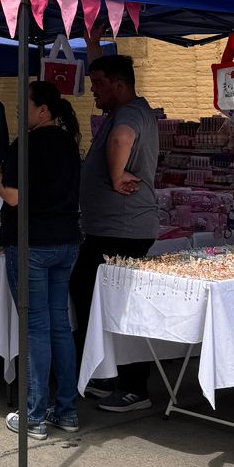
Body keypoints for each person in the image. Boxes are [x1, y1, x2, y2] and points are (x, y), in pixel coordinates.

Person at [0, 80, 83, 440]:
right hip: (66, 241)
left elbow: (13, 197)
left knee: (37, 328)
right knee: (58, 325)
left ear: (44, 110)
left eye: (26, 106)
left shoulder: (28, 145)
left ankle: (35, 415)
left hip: (34, 245)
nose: (21, 112)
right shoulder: (68, 143)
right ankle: (66, 409)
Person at [73, 54, 159, 413]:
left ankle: (134, 386)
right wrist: (94, 42)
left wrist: (116, 175)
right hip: (111, 229)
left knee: (120, 306)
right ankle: (104, 374)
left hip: (121, 230)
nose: (93, 92)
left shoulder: (127, 116)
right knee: (91, 298)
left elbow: (121, 139)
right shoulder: (127, 110)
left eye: (99, 86)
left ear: (119, 86)